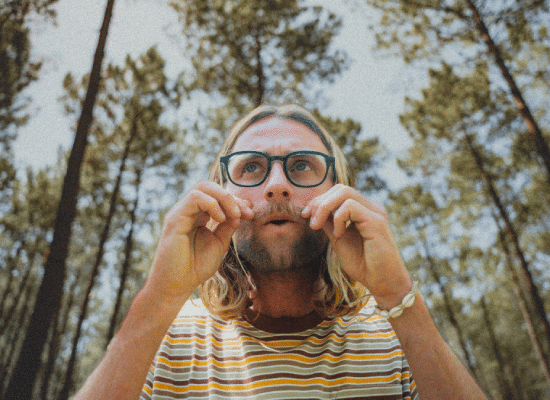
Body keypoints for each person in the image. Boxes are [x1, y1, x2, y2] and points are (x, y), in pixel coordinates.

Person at [76, 105, 487, 399]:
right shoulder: (162, 341)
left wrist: (399, 296)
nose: (277, 184)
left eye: (303, 165)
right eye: (251, 167)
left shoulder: (397, 337)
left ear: (338, 191)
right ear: (220, 194)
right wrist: (157, 301)